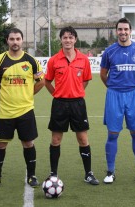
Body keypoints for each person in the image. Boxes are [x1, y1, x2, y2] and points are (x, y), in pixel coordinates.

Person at [0, 28, 45, 188]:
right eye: (12, 39)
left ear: (22, 40)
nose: (15, 42)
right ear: (7, 40)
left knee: (28, 143)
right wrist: (3, 93)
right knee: (1, 144)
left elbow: (41, 81)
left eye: (18, 39)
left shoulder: (32, 61)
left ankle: (32, 175)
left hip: (26, 110)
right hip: (4, 111)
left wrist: (28, 94)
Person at [44, 26, 99, 185]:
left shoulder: (83, 59)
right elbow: (47, 81)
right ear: (60, 40)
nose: (68, 40)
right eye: (65, 37)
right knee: (56, 139)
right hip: (59, 104)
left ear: (75, 39)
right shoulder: (54, 60)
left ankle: (88, 173)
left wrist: (77, 91)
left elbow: (86, 80)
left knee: (83, 139)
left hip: (78, 104)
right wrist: (56, 93)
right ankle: (53, 173)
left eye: (70, 37)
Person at [100, 17, 135, 184]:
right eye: (120, 29)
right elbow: (103, 74)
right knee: (113, 134)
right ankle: (110, 172)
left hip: (134, 95)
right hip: (114, 95)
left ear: (130, 31)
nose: (123, 32)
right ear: (117, 31)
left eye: (125, 29)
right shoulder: (109, 51)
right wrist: (114, 88)